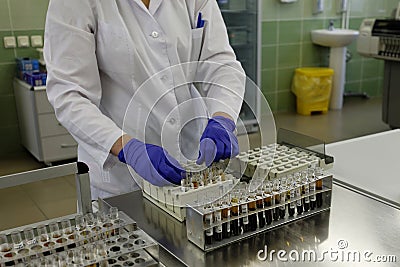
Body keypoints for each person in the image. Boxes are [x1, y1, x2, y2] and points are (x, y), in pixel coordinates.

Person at [44, 0, 245, 199]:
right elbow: (70, 94)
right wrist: (127, 148)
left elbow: (219, 62)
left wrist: (223, 117)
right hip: (122, 174)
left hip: (192, 154)